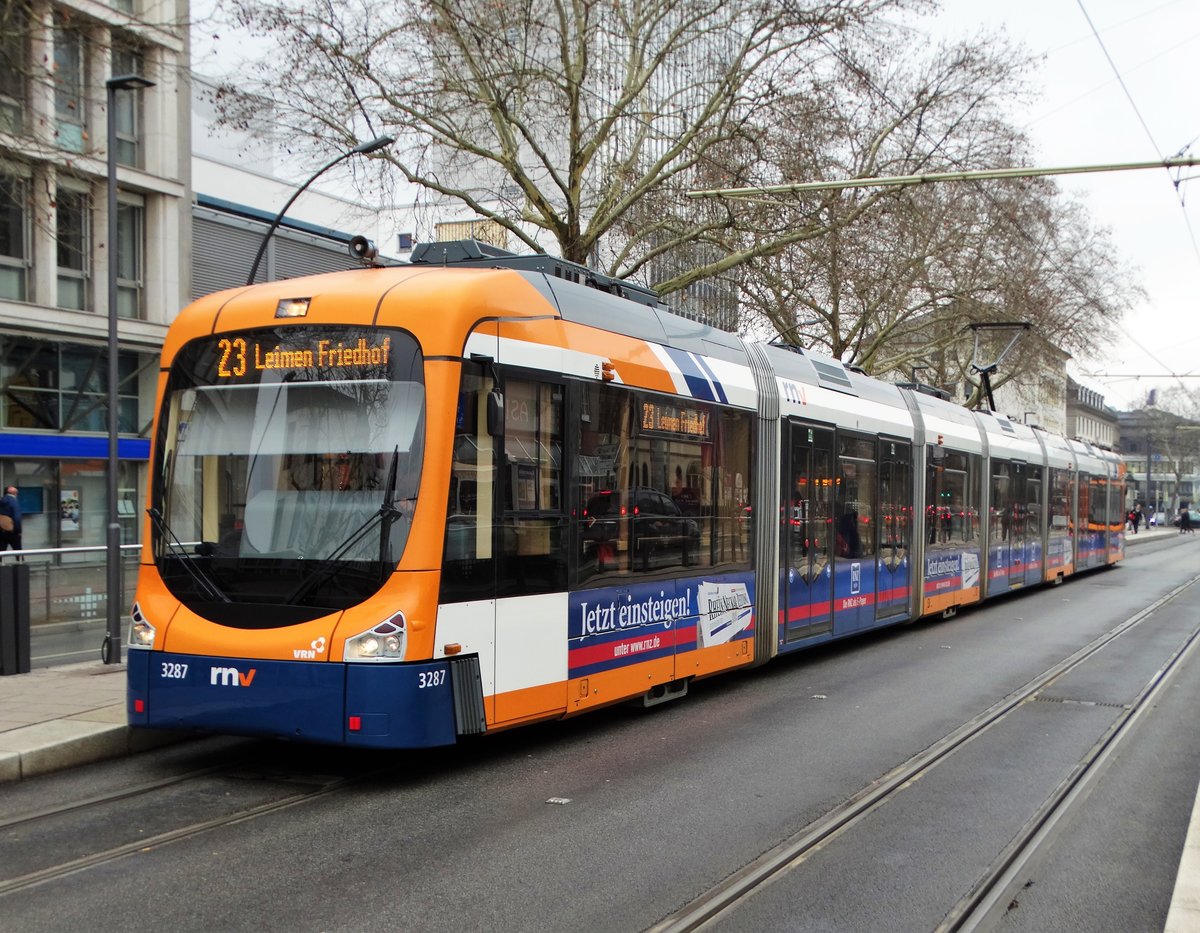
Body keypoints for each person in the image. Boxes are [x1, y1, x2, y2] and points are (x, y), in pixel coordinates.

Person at [0, 485, 22, 555]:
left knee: (1, 550)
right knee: (18, 551)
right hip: (13, 530)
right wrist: (19, 530)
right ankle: (20, 564)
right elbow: (17, 518)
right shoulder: (13, 502)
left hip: (2, 529)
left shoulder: (2, 500)